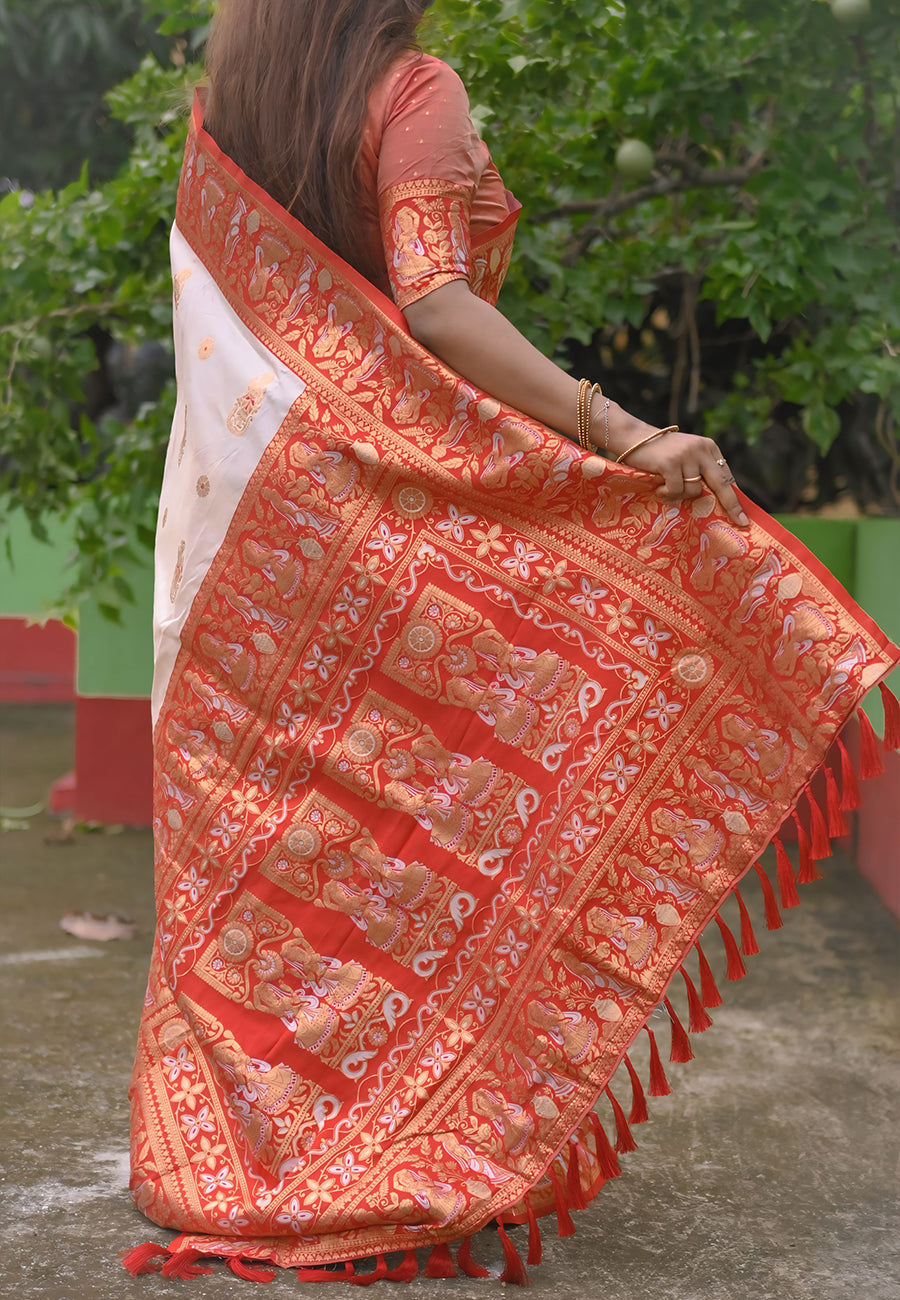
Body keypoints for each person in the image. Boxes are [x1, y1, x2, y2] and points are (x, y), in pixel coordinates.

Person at [124, 0, 899, 1285]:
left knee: (274, 849)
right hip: (387, 507)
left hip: (246, 532)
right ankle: (398, 1146)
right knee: (434, 825)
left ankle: (220, 1162)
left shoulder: (234, 103)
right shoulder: (411, 89)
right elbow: (433, 307)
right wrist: (622, 431)